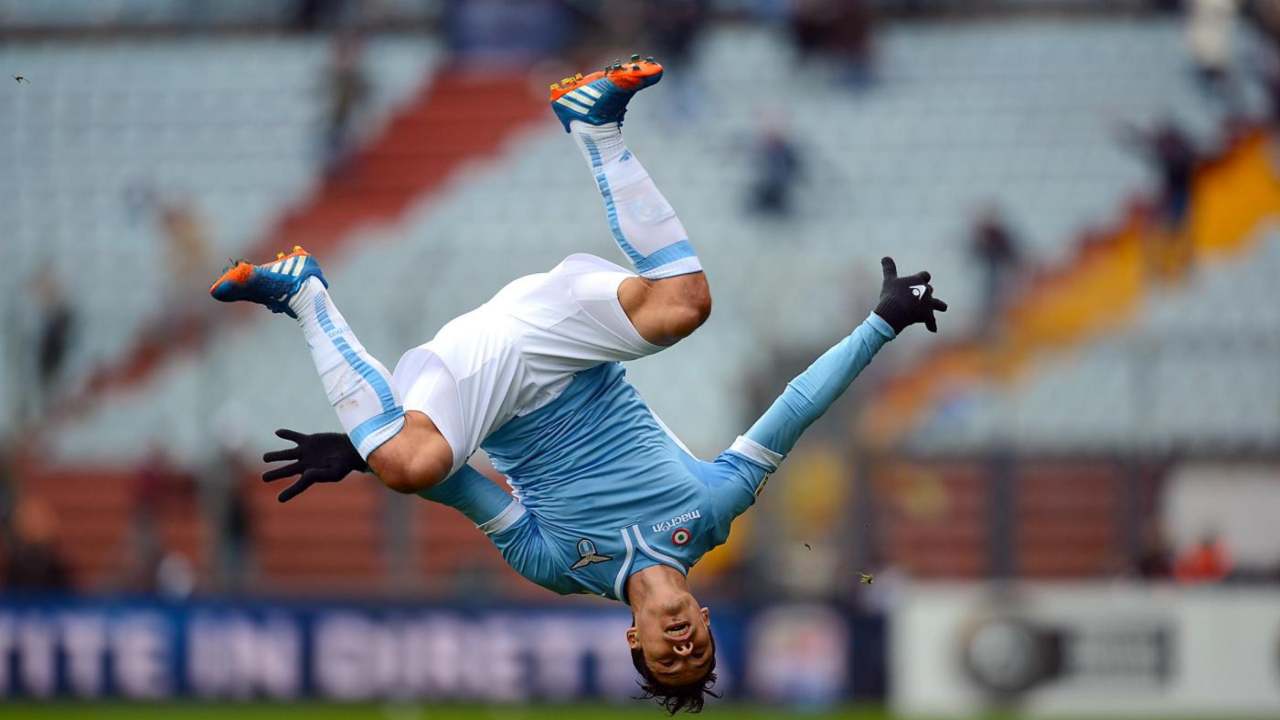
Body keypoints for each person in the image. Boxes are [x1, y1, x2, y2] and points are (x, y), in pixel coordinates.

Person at [211, 58, 946, 713]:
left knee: (413, 465)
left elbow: (460, 487)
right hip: (561, 339)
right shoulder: (712, 515)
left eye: (666, 656)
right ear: (708, 621)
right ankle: (596, 126)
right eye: (698, 653)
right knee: (684, 305)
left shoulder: (559, 568)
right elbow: (791, 412)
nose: (682, 648)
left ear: (634, 638)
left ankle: (303, 296)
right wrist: (878, 325)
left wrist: (363, 452)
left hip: (478, 379)